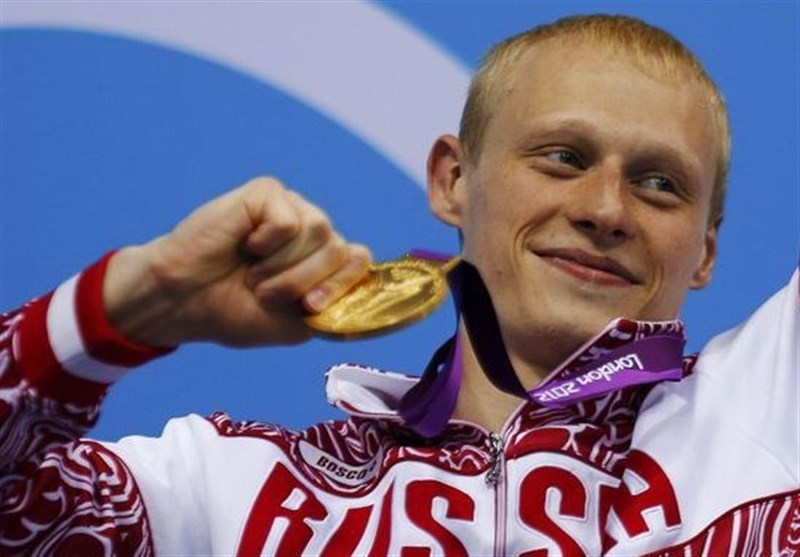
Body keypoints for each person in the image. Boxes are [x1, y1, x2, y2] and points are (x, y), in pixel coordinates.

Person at [1, 13, 797, 556]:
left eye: (660, 185)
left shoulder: (765, 414)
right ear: (453, 179)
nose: (605, 210)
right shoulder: (237, 495)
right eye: (562, 157)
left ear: (705, 250)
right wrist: (126, 308)